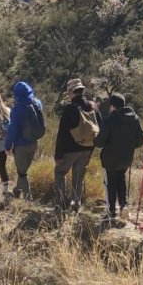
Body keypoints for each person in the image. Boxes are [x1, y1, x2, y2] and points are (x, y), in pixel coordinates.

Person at [94, 93, 143, 220]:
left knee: (110, 183)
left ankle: (111, 211)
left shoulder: (110, 120)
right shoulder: (134, 118)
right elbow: (140, 140)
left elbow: (99, 142)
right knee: (121, 180)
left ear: (112, 106)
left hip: (110, 159)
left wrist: (95, 137)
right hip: (126, 158)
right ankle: (123, 205)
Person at [53, 78, 100, 211]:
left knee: (60, 172)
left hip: (70, 150)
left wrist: (58, 154)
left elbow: (62, 133)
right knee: (78, 177)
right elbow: (100, 127)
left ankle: (61, 203)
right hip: (87, 148)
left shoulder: (69, 108)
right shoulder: (93, 106)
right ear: (82, 90)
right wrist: (92, 148)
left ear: (70, 92)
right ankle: (76, 203)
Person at [5, 81, 45, 199]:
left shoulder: (17, 109)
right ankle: (17, 190)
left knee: (22, 173)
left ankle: (28, 199)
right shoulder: (37, 103)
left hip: (21, 145)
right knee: (23, 170)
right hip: (34, 142)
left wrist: (8, 146)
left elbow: (13, 129)